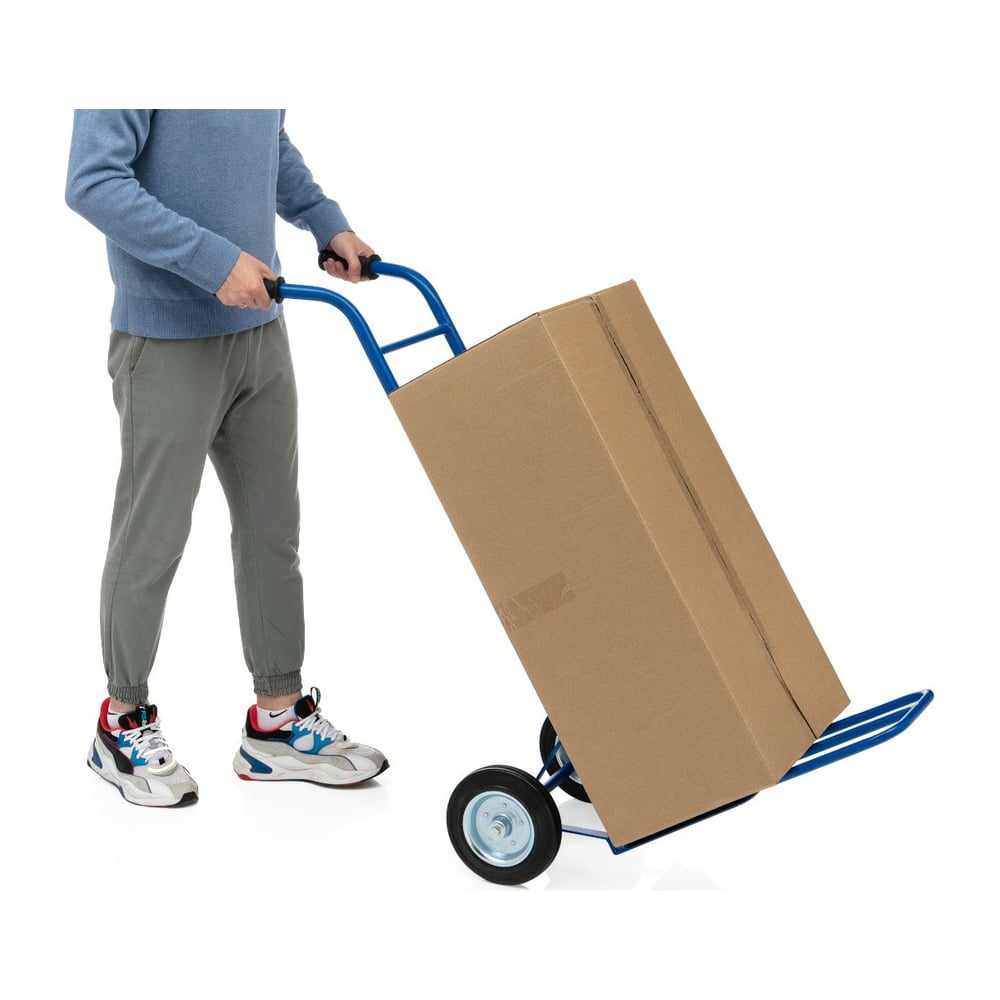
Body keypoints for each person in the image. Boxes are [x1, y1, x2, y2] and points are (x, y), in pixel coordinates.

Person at [67, 109, 387, 806]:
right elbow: (92, 181)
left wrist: (324, 221)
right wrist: (213, 261)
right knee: (152, 538)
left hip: (261, 332)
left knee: (274, 533)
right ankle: (121, 723)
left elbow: (269, 141)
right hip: (167, 341)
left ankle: (277, 721)